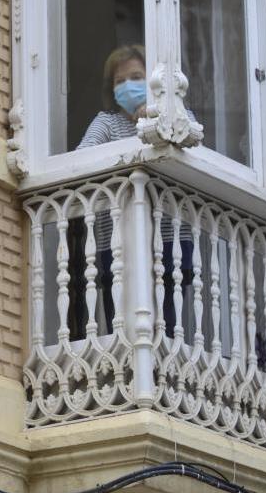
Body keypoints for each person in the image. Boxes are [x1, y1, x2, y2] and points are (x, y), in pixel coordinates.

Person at [69, 44, 194, 340]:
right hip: (116, 238)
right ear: (111, 89)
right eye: (119, 81)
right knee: (121, 318)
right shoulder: (107, 122)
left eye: (136, 77)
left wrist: (152, 117)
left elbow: (190, 140)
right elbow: (80, 157)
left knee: (168, 315)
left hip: (168, 234)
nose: (127, 86)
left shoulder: (175, 113)